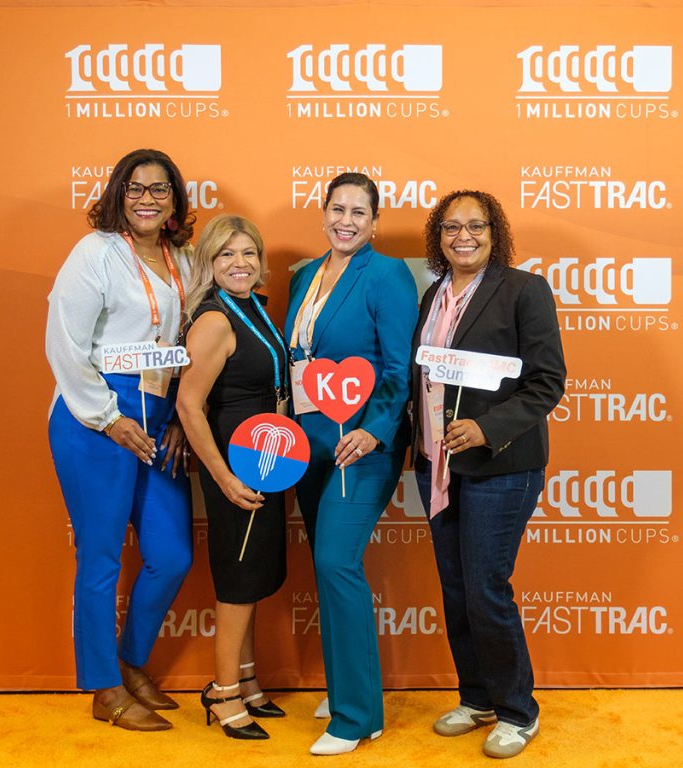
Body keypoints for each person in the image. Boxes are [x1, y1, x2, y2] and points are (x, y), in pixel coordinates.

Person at [411, 190, 565, 759]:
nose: (464, 236)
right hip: (437, 465)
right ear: (439, 237)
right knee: (457, 590)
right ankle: (476, 698)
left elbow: (546, 382)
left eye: (476, 226)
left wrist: (485, 428)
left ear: (494, 233)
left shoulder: (524, 290)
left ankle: (518, 711)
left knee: (484, 588)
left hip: (501, 466)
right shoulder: (433, 296)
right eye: (452, 227)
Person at [46, 148, 195, 731]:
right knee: (102, 556)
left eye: (159, 189)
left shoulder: (183, 258)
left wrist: (181, 416)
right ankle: (103, 687)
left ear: (174, 199)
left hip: (160, 412)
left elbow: (188, 346)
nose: (147, 199)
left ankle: (130, 662)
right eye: (135, 188)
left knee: (172, 555)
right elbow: (64, 345)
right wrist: (107, 418)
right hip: (95, 416)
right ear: (118, 194)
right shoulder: (96, 253)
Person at [284, 172, 418, 755]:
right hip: (307, 443)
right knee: (327, 565)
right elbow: (299, 359)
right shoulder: (305, 276)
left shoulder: (387, 275)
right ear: (323, 213)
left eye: (359, 212)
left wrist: (374, 430)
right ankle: (347, 685)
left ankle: (358, 716)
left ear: (375, 222)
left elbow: (398, 367)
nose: (346, 221)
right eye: (338, 209)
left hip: (358, 444)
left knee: (337, 561)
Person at [176, 215, 289, 740]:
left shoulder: (251, 307)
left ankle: (245, 678)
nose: (239, 263)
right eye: (226, 254)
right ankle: (222, 692)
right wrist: (221, 477)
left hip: (265, 461)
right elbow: (189, 404)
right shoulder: (215, 319)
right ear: (209, 262)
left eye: (248, 253)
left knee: (254, 573)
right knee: (239, 578)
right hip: (235, 468)